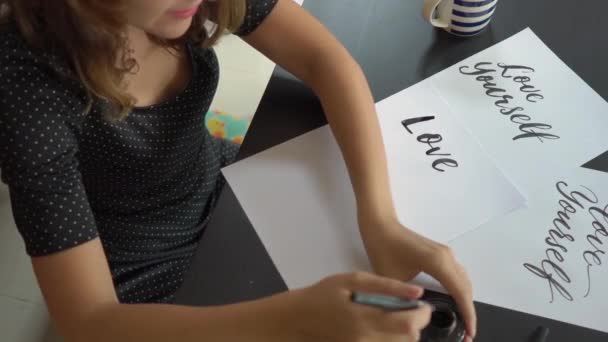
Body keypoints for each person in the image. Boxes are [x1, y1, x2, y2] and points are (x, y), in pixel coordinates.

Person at [0, 0, 476, 341]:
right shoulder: (25, 88)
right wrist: (293, 321)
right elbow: (89, 321)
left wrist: (379, 219)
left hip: (225, 188)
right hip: (143, 278)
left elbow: (323, 58)